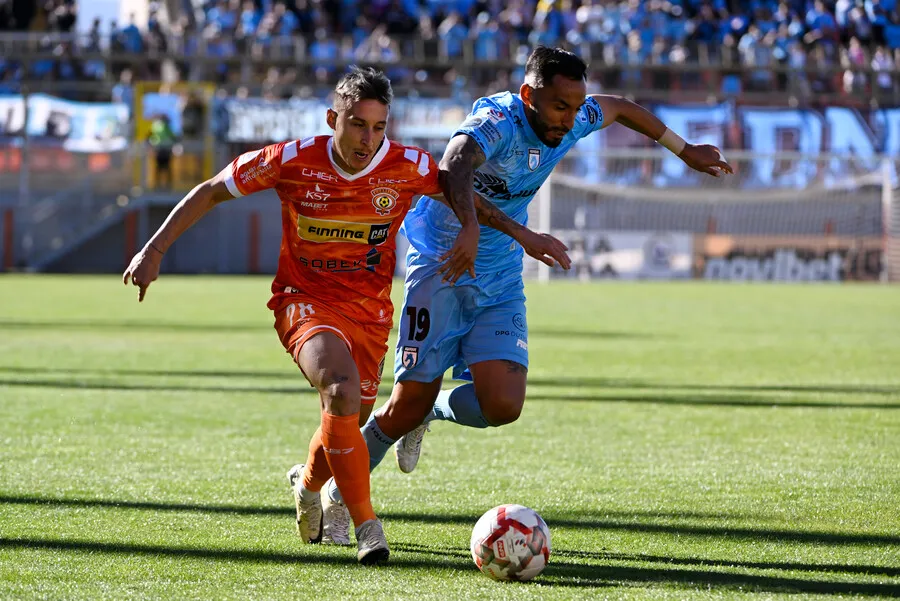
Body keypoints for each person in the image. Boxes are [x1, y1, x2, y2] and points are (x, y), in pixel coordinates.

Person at [123, 66, 570, 564]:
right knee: (337, 389)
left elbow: (463, 192)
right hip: (304, 299)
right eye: (358, 124)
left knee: (348, 419)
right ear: (333, 117)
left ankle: (309, 485)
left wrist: (519, 234)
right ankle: (366, 525)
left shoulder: (406, 165)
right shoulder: (290, 160)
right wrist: (154, 250)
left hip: (370, 312)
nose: (368, 138)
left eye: (379, 127)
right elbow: (210, 190)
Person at [321, 46, 733, 532]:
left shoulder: (574, 118)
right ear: (528, 96)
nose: (571, 118)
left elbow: (620, 107)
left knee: (502, 406)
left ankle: (430, 411)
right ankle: (340, 493)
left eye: (577, 107)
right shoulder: (497, 120)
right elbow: (453, 165)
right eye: (560, 106)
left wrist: (685, 151)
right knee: (401, 404)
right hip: (443, 265)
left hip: (498, 275)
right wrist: (481, 230)